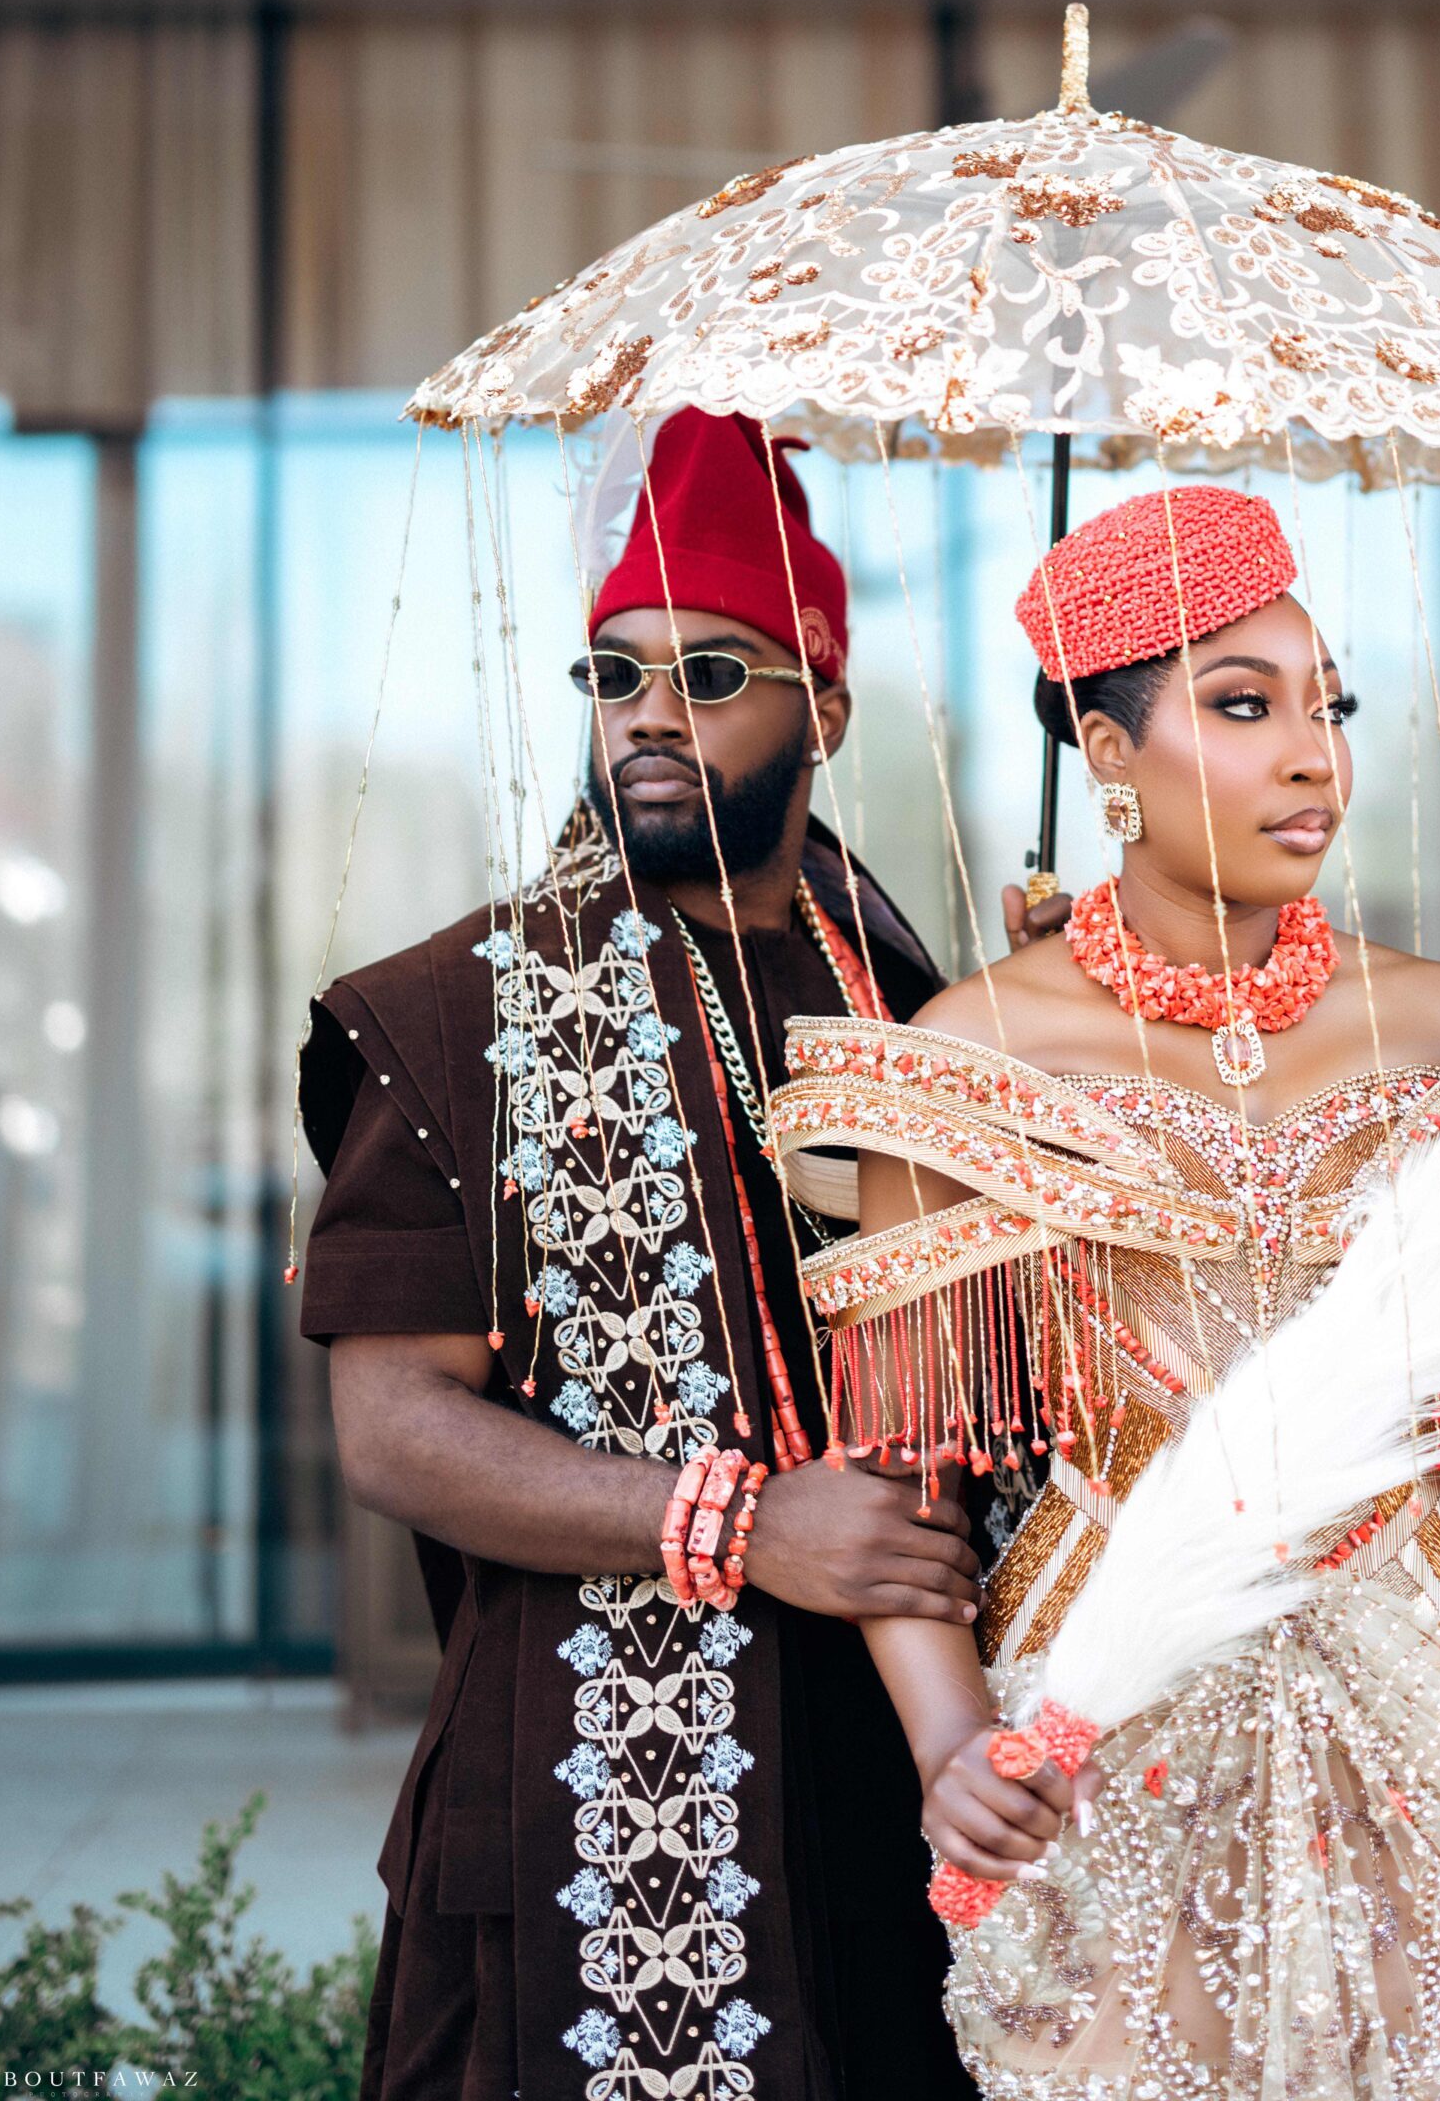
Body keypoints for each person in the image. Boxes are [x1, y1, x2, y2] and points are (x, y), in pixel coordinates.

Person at [768, 484, 1440, 2100]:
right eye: (1242, 706)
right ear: (1107, 753)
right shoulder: (972, 1056)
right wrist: (950, 1749)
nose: (1312, 758)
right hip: (1111, 1716)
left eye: (1327, 708)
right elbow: (902, 1482)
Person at [297, 410, 991, 2101]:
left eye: (712, 672)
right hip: (599, 1788)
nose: (651, 714)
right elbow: (394, 1432)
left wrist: (1057, 1031)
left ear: (826, 706)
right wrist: (747, 1526)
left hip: (918, 1762)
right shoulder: (452, 1014)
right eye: (614, 675)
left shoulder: (925, 998)